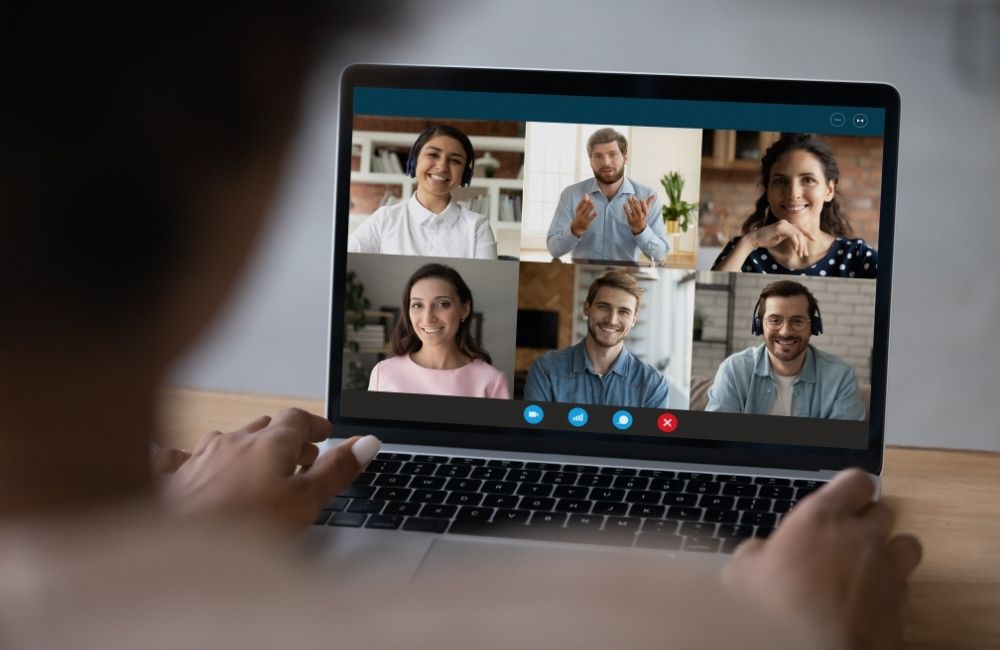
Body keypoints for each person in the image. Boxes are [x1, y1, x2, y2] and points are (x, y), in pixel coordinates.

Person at [0, 7, 921, 649]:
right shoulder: (700, 631)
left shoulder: (633, 287)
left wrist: (188, 532)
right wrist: (793, 629)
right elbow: (558, 246)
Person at [711, 133, 878, 278]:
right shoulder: (743, 249)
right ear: (768, 191)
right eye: (780, 181)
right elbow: (707, 299)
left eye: (808, 180)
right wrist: (750, 242)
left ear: (829, 190)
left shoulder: (858, 257)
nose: (792, 193)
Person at [707, 280, 866, 419]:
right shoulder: (733, 371)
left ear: (813, 327)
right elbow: (717, 437)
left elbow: (845, 442)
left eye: (797, 321)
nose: (785, 332)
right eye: (775, 320)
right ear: (759, 325)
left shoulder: (841, 378)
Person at [348, 125, 498, 259]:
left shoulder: (477, 226)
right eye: (433, 155)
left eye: (455, 160)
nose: (442, 167)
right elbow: (344, 262)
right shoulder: (386, 219)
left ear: (464, 174)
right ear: (414, 161)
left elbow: (488, 280)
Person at [524, 270, 668, 408]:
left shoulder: (653, 385)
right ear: (587, 308)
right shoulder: (545, 370)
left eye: (624, 312)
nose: (612, 320)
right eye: (603, 307)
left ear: (634, 320)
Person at [367, 263, 510, 398]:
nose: (428, 318)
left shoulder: (492, 381)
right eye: (417, 305)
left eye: (442, 304)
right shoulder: (383, 373)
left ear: (465, 309)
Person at [546, 128, 669, 264]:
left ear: (625, 157)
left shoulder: (647, 197)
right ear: (590, 161)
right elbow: (554, 250)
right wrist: (575, 229)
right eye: (598, 156)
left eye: (612, 154)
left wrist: (641, 230)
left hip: (626, 274)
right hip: (581, 273)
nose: (606, 163)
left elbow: (660, 255)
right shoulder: (571, 195)